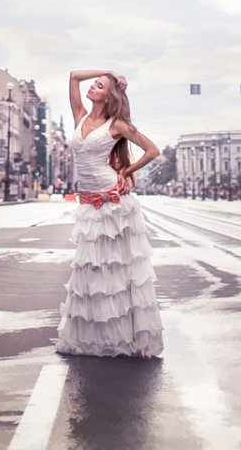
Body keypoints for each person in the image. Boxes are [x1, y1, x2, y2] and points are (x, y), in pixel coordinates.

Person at [56, 69, 163, 359]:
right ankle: (94, 338)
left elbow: (152, 150)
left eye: (99, 85)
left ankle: (119, 338)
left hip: (111, 200)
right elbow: (73, 76)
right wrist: (107, 71)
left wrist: (126, 172)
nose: (92, 87)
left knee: (115, 270)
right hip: (89, 203)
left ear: (109, 96)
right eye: (94, 84)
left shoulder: (116, 125)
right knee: (91, 270)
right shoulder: (79, 115)